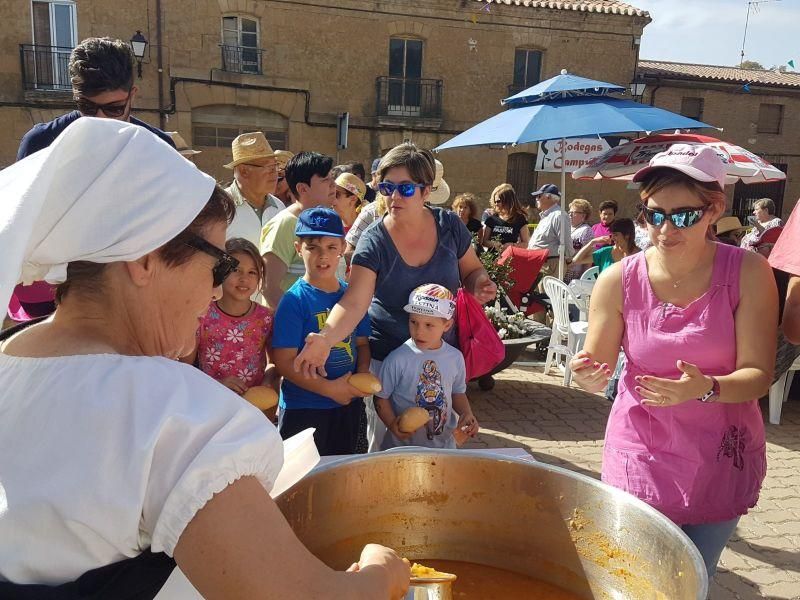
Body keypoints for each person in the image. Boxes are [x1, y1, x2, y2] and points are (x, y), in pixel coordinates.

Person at [0, 118, 409, 598]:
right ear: (145, 257)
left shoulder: (10, 361)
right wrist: (381, 573)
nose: (217, 287)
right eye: (217, 263)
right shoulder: (172, 411)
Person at [568, 144, 775, 580]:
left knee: (694, 576)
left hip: (720, 453)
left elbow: (758, 376)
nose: (664, 229)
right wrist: (586, 373)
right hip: (641, 452)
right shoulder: (618, 279)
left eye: (682, 216)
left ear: (714, 208)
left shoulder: (749, 272)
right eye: (653, 215)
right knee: (638, 578)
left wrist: (706, 388)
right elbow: (597, 366)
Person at [292, 142, 496, 452]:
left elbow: (471, 271)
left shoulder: (449, 225)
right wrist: (324, 338)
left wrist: (480, 282)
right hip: (389, 362)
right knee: (389, 449)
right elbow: (354, 302)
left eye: (406, 189)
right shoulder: (374, 239)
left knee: (439, 446)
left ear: (427, 191)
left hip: (440, 359)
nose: (393, 197)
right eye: (387, 187)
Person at [8, 36, 176, 326]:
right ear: (75, 95)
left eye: (113, 109)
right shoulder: (41, 142)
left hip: (130, 294)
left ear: (133, 95)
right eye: (87, 107)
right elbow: (22, 223)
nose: (99, 119)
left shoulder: (157, 148)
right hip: (54, 295)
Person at [271, 208, 371, 456]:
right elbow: (283, 362)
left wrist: (359, 379)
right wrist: (330, 390)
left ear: (342, 247)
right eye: (312, 247)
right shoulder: (293, 301)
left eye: (330, 246)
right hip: (304, 408)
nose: (322, 255)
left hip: (347, 405)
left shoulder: (351, 297)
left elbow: (361, 344)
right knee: (301, 482)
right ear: (298, 248)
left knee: (341, 474)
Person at [375, 284, 478, 450]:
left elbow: (458, 392)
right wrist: (393, 424)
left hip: (445, 449)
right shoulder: (397, 358)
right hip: (401, 449)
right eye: (413, 322)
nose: (419, 332)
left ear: (447, 325)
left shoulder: (455, 357)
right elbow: (381, 397)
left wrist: (466, 413)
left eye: (429, 325)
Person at [189, 238, 276, 398]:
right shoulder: (202, 314)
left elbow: (274, 364)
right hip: (210, 403)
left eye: (252, 272)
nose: (244, 279)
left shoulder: (267, 318)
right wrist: (217, 385)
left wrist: (266, 385)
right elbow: (185, 369)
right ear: (220, 270)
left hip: (253, 409)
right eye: (236, 270)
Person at [261, 151, 335, 310]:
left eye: (332, 179)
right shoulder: (286, 224)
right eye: (325, 180)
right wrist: (298, 320)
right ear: (302, 188)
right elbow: (269, 287)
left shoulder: (327, 220)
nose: (333, 186)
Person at [224, 132, 286, 247]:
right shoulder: (220, 207)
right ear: (244, 171)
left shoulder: (279, 207)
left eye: (275, 166)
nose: (275, 172)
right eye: (269, 167)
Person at [527, 183, 573, 275]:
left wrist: (568, 260)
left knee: (545, 289)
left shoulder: (558, 215)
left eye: (539, 196)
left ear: (548, 197)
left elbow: (566, 241)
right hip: (540, 263)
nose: (536, 199)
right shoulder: (547, 216)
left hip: (550, 264)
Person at [569, 218, 640, 274]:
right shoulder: (606, 252)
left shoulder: (640, 255)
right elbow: (576, 260)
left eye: (615, 235)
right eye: (612, 235)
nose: (612, 238)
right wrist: (592, 242)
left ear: (627, 235)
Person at [480, 183, 530, 250]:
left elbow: (525, 244)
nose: (496, 204)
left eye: (498, 201)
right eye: (495, 201)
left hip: (511, 257)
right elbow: (484, 241)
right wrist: (494, 244)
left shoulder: (520, 219)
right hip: (493, 258)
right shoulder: (491, 218)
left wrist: (512, 245)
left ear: (507, 200)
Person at [566, 198, 594, 280]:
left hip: (575, 274)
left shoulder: (587, 230)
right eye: (569, 212)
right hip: (562, 269)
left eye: (574, 212)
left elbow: (589, 256)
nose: (570, 215)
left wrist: (583, 278)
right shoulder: (567, 227)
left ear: (583, 215)